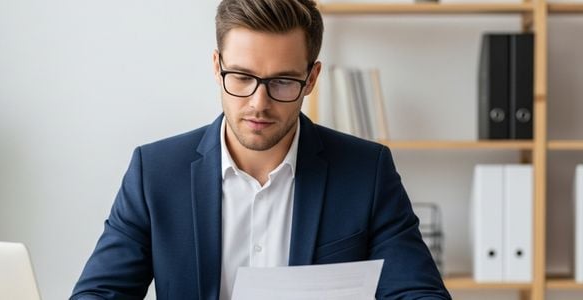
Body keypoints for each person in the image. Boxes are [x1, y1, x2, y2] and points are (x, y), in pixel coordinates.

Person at [71, 0, 450, 299]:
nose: (258, 103)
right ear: (217, 66)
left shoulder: (367, 171)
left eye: (282, 81)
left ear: (311, 79)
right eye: (241, 77)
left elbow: (418, 293)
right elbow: (98, 293)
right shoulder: (154, 172)